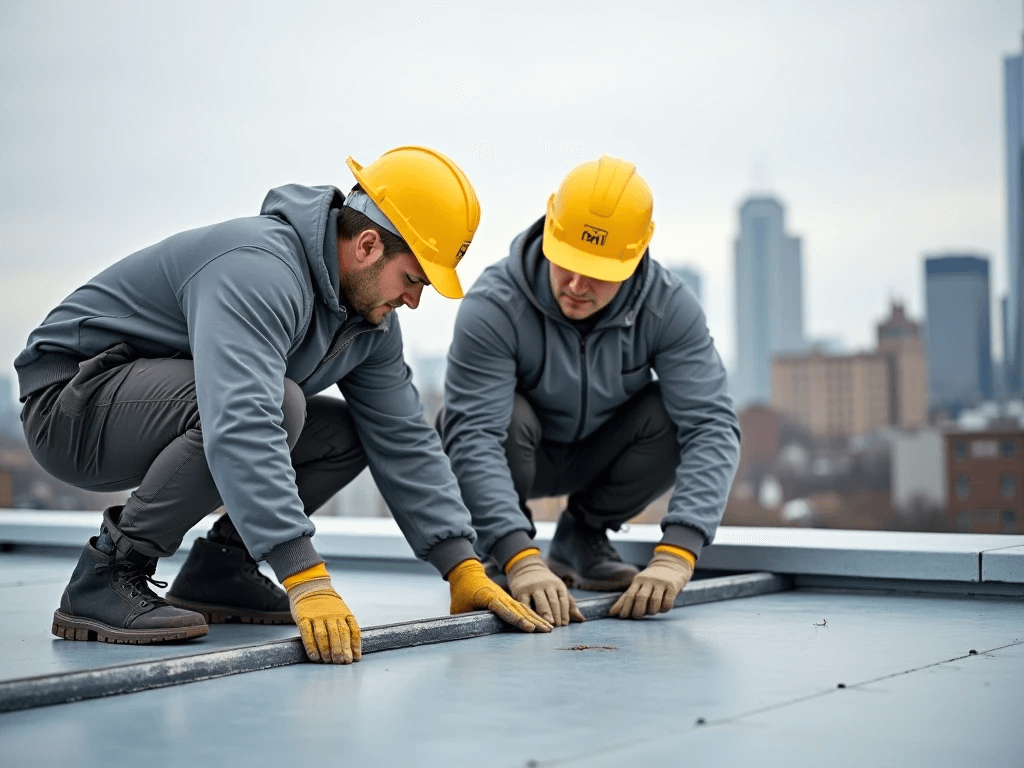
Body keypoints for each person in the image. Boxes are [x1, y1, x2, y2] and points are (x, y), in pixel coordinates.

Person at [16, 146, 551, 665]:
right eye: (413, 278)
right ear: (366, 246)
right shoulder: (261, 268)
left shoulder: (368, 319)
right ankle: (107, 576)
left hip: (154, 406)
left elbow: (401, 435)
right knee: (277, 403)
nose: (414, 299)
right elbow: (244, 417)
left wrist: (462, 566)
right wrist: (304, 576)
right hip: (73, 405)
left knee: (348, 432)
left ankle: (222, 571)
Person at [439, 155, 740, 626]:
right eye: (568, 264)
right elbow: (474, 436)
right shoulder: (495, 304)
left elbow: (711, 426)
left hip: (602, 455)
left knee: (673, 416)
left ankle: (582, 535)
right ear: (550, 234)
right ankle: (498, 552)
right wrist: (520, 558)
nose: (577, 286)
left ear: (635, 255)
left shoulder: (669, 307)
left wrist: (678, 552)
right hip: (520, 453)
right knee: (504, 418)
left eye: (598, 271)